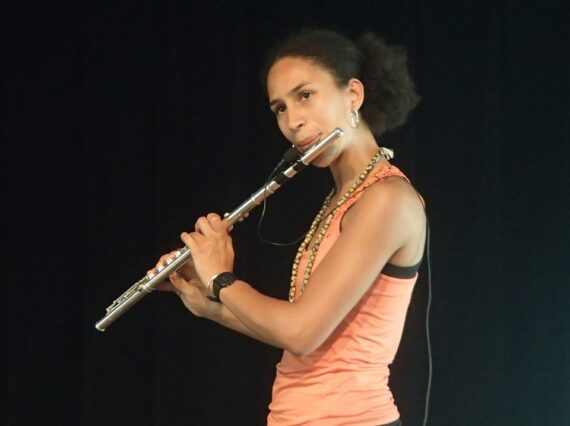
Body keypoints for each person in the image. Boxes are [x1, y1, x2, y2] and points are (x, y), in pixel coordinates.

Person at [151, 29, 425, 426]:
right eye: (280, 108)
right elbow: (301, 338)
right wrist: (211, 306)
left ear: (353, 94)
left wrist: (220, 278)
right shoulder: (342, 198)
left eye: (305, 95)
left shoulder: (387, 199)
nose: (293, 121)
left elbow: (301, 333)